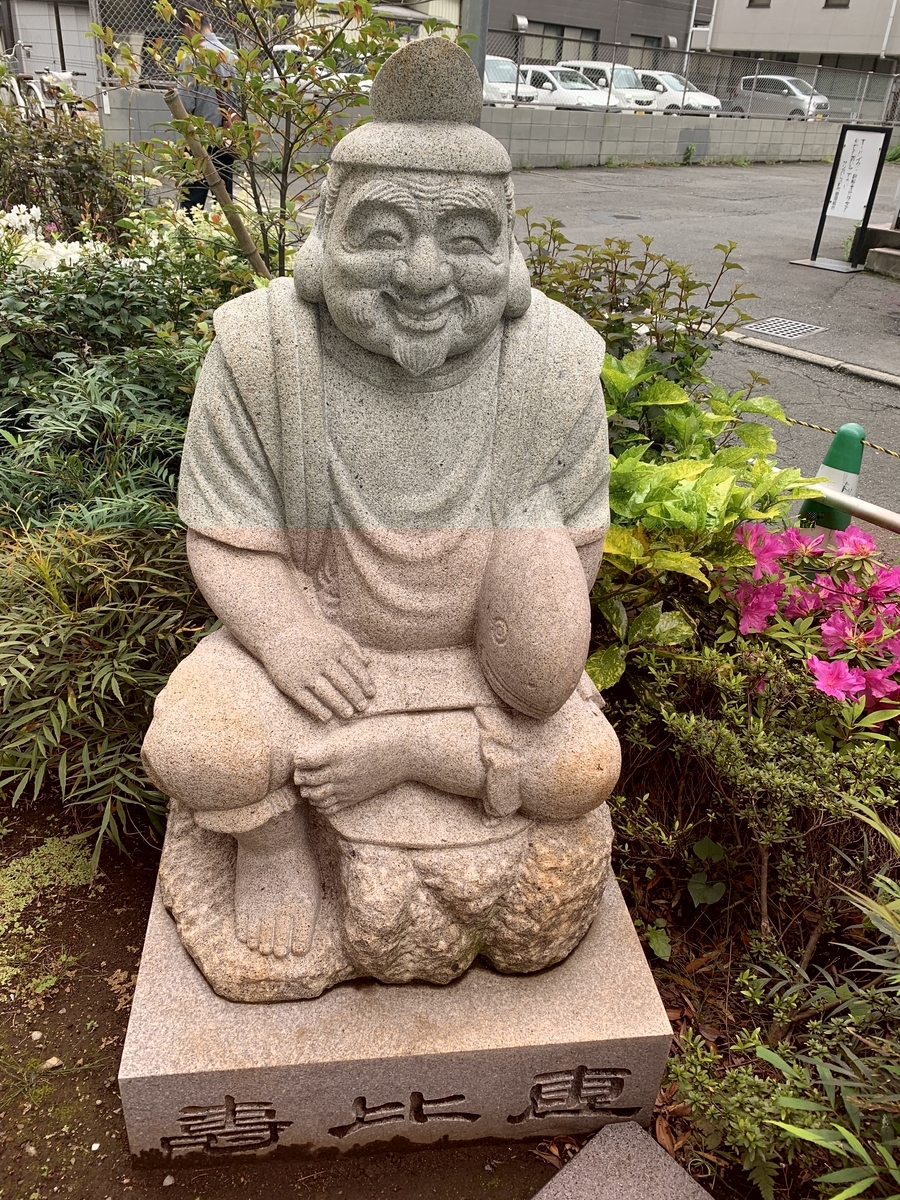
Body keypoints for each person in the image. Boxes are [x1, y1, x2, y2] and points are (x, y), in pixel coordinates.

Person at [141, 37, 621, 995]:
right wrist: (284, 634)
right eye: (386, 233)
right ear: (326, 230)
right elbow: (225, 535)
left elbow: (574, 554)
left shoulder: (555, 362)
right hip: (321, 659)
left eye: (469, 241)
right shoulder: (263, 350)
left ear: (511, 249)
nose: (423, 273)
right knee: (196, 747)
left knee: (583, 764)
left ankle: (414, 757)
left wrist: (531, 626)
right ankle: (274, 839)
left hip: (473, 672)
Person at [177, 7, 237, 213]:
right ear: (209, 24)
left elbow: (185, 105)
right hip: (227, 138)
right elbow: (239, 102)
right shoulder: (231, 57)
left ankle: (189, 243)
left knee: (191, 205)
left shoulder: (191, 56)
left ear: (189, 25)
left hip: (200, 140)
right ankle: (230, 241)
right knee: (225, 203)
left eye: (183, 30)